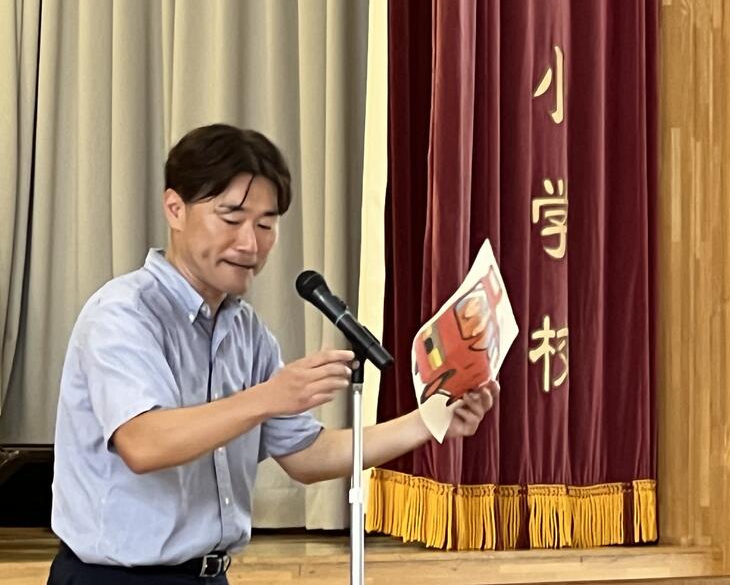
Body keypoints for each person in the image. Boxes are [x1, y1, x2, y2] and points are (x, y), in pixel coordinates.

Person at [47, 124, 499, 584]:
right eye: (231, 219)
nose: (250, 243)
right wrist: (269, 397)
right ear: (175, 209)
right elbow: (144, 443)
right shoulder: (123, 312)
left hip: (209, 575)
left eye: (266, 224)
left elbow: (306, 455)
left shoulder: (247, 332)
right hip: (111, 578)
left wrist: (431, 420)